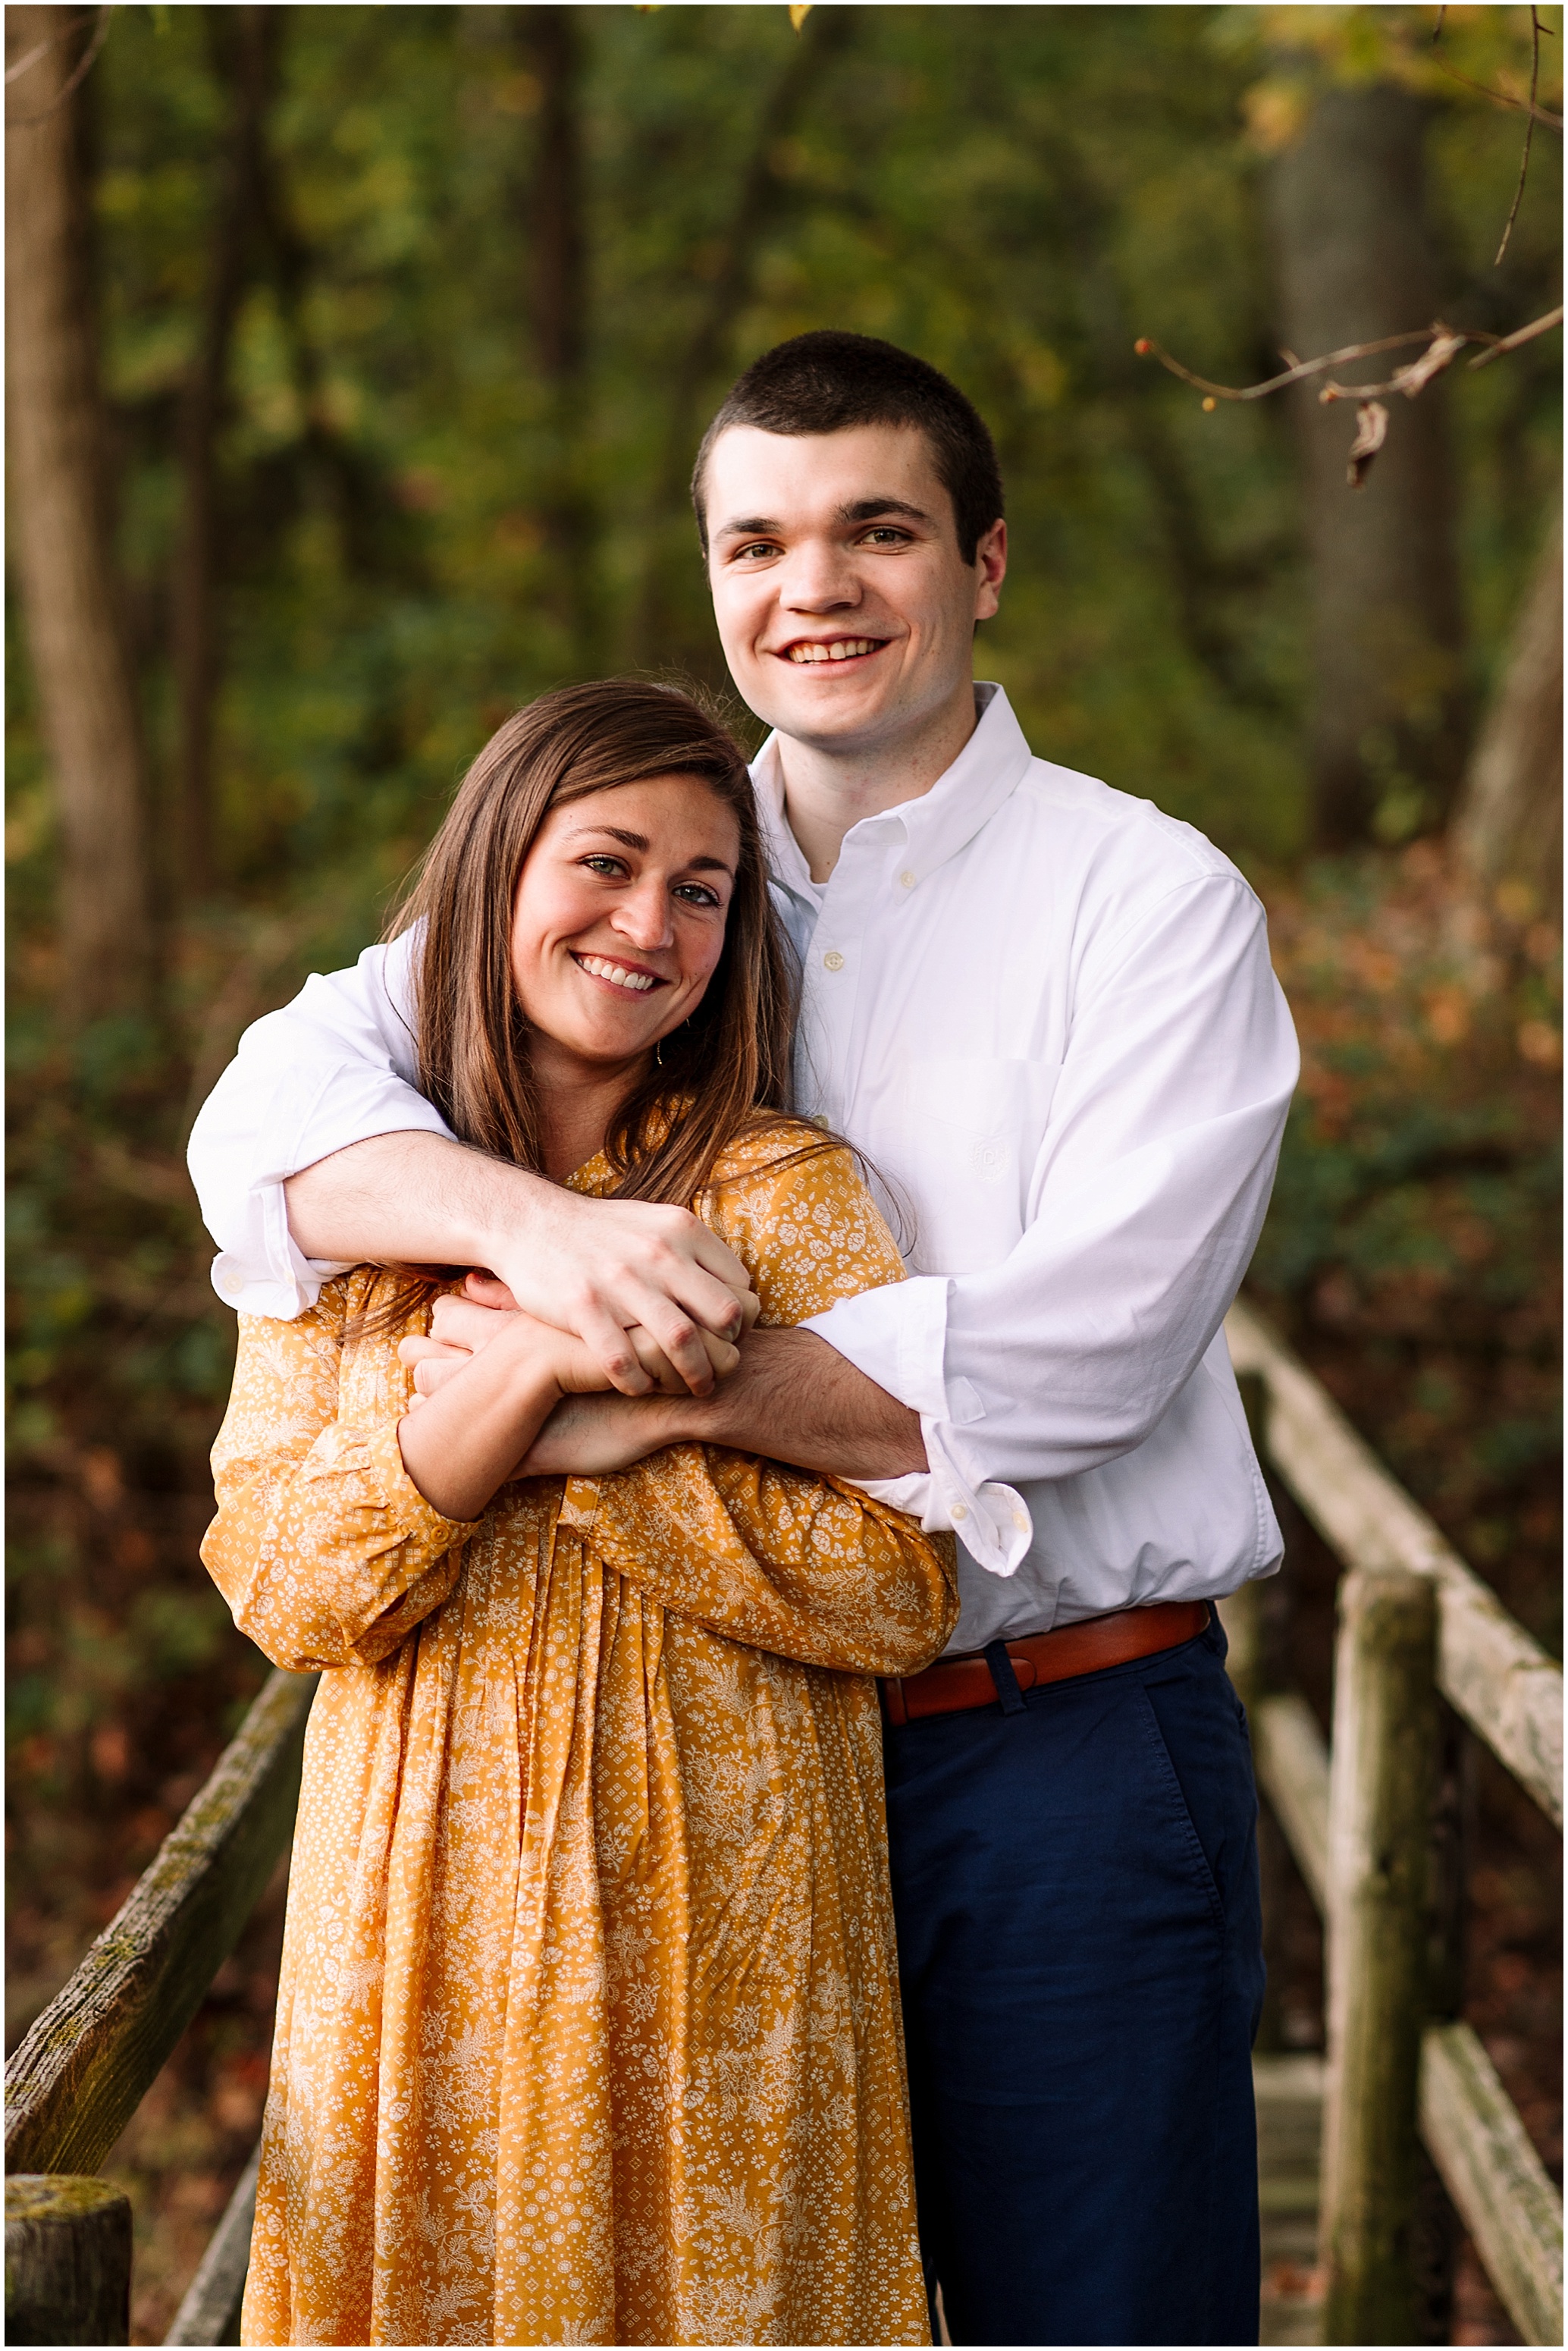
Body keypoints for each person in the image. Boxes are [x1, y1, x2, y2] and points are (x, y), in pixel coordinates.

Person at [190, 331, 1301, 2347]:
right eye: (758, 540)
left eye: (875, 530)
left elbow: (1090, 1356)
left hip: (1044, 1748)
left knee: (1096, 2317)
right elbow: (271, 1124)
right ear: (710, 578)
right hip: (687, 1781)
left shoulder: (1145, 902)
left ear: (979, 564)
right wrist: (545, 1234)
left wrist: (600, 1400)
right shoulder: (648, 875)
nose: (814, 587)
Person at [199, 678, 958, 2349]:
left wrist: (613, 1438)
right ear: (493, 876)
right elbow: (282, 1577)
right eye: (604, 863)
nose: (649, 922)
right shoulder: (349, 1201)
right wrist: (530, 1383)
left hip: (729, 1929)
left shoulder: (782, 1192)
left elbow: (901, 1581)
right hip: (421, 1923)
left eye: (701, 888)